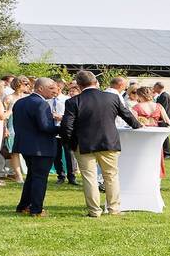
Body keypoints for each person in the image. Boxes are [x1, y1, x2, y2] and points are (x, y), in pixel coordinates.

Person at [60, 70, 142, 217]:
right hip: (109, 141)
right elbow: (127, 115)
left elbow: (67, 126)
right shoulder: (112, 98)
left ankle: (94, 210)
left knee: (89, 177)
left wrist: (69, 144)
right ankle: (114, 208)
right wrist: (138, 125)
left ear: (78, 85)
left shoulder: (73, 101)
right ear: (96, 82)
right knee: (111, 176)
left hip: (84, 144)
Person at [11, 78, 61, 217]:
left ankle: (23, 205)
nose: (55, 91)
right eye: (51, 88)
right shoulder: (41, 104)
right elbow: (45, 127)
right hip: (41, 147)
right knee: (39, 178)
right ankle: (36, 209)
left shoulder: (20, 102)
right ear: (40, 88)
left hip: (26, 145)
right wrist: (62, 129)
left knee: (32, 177)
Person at [133, 86, 170, 178]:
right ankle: (156, 174)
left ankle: (142, 175)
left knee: (142, 155)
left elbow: (133, 121)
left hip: (143, 133)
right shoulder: (158, 106)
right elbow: (168, 121)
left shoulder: (137, 107)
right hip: (155, 133)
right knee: (156, 155)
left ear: (140, 95)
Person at [3, 76, 30, 183]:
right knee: (14, 152)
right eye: (26, 84)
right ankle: (18, 175)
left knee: (27, 151)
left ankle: (27, 173)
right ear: (19, 84)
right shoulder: (9, 98)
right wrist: (5, 129)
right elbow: (5, 116)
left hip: (27, 127)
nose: (28, 86)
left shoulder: (28, 97)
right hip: (12, 126)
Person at [152, 82, 170, 159]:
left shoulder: (164, 96)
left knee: (164, 137)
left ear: (158, 87)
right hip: (163, 119)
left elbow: (163, 109)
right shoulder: (163, 95)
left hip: (164, 119)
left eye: (154, 87)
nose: (153, 88)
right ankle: (165, 152)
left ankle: (167, 153)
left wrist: (161, 119)